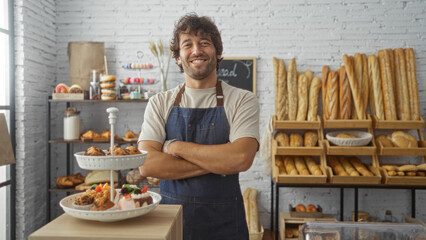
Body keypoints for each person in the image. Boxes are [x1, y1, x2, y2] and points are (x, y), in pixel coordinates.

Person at [138, 13, 259, 240]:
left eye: (205, 43)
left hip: (225, 223)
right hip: (170, 222)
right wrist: (222, 161)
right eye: (188, 45)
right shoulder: (160, 102)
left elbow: (241, 158)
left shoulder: (243, 100)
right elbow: (146, 165)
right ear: (178, 57)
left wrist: (174, 147)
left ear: (218, 52)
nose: (196, 50)